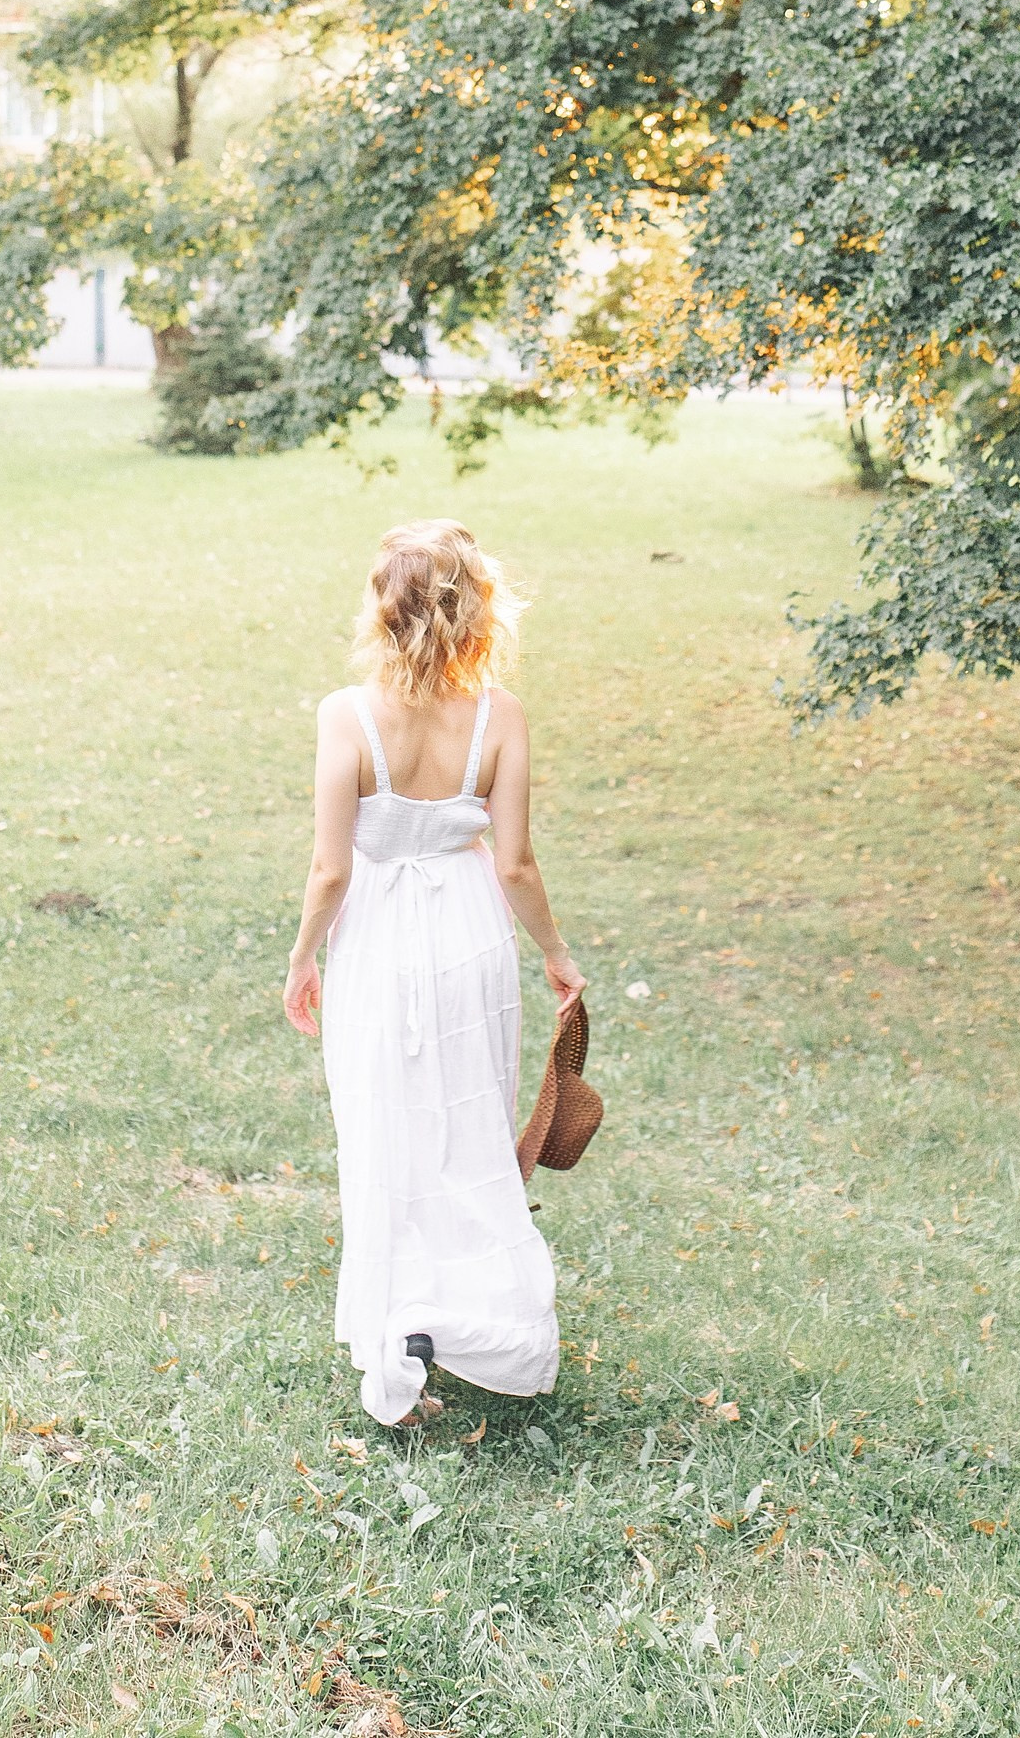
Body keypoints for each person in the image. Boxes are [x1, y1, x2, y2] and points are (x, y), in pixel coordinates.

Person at [283, 519, 585, 1428]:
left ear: (384, 606)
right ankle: (471, 1319)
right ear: (476, 607)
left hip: (375, 938)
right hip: (468, 936)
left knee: (383, 1135)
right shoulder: (502, 715)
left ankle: (398, 1353)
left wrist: (303, 958)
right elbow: (516, 863)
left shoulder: (348, 714)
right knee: (470, 1132)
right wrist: (556, 954)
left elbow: (331, 870)